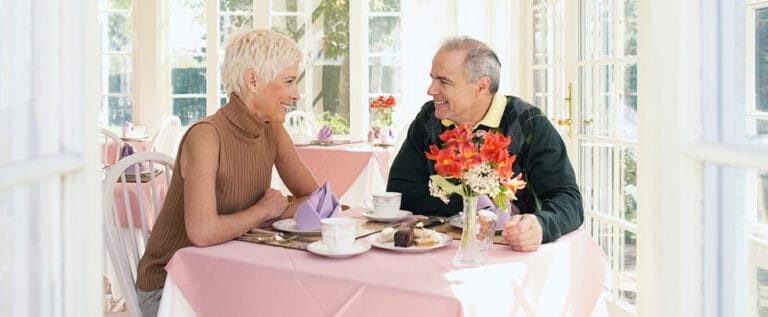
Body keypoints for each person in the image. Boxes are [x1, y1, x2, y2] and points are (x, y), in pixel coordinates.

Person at [134, 29, 320, 316]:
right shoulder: (207, 136)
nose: (296, 94)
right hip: (171, 287)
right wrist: (263, 211)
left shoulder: (273, 130)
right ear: (253, 80)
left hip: (230, 273)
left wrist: (274, 210)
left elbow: (315, 197)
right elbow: (203, 232)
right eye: (289, 81)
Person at [387, 36, 583, 252]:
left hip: (512, 256)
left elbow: (569, 201)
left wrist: (541, 225)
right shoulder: (429, 118)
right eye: (432, 78)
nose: (431, 90)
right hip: (442, 251)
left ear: (481, 86)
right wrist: (475, 203)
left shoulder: (529, 123)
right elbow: (400, 190)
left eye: (443, 81)